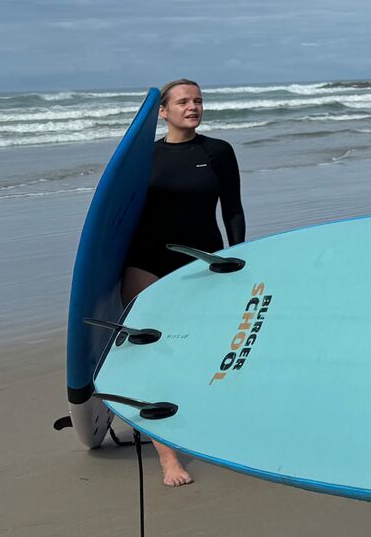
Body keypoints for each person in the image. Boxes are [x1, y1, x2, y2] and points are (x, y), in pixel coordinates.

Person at [122, 78, 245, 487]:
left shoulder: (217, 152)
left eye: (197, 100)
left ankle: (200, 421)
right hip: (147, 262)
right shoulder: (143, 156)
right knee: (152, 351)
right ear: (162, 110)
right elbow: (117, 214)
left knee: (202, 347)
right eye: (182, 101)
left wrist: (240, 256)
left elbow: (233, 210)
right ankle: (167, 455)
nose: (192, 107)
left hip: (199, 262)